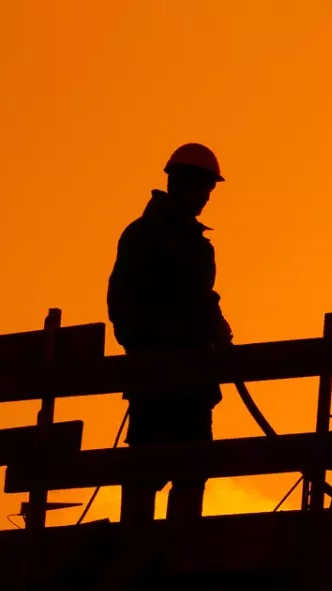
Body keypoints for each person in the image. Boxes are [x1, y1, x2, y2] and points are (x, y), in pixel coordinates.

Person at [107, 143, 233, 521]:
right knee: (148, 471)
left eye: (209, 191)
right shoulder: (146, 237)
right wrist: (150, 352)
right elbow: (124, 304)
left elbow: (200, 297)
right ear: (184, 184)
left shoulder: (194, 244)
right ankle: (142, 547)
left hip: (192, 381)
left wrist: (216, 326)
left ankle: (180, 545)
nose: (206, 199)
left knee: (191, 470)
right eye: (203, 189)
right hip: (157, 377)